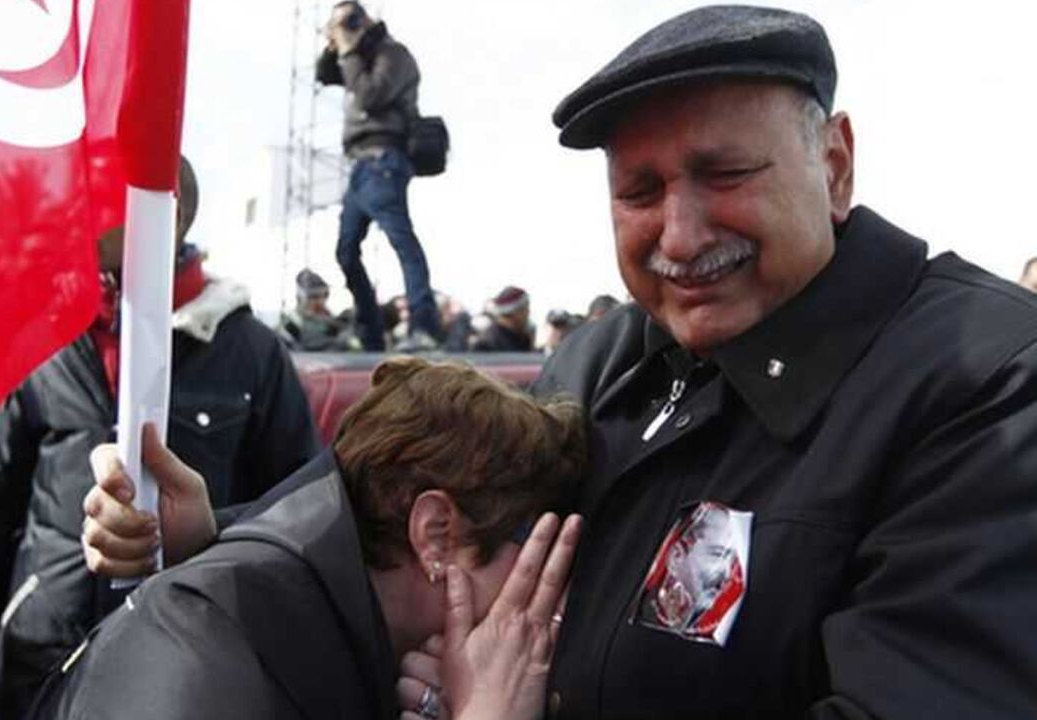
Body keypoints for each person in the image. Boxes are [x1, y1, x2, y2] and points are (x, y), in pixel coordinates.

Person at [85, 5, 1037, 718]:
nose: (681, 230)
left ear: (834, 164)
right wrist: (220, 536)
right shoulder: (609, 355)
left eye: (725, 174)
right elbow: (405, 514)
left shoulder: (986, 389)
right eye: (640, 190)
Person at [0, 158, 320, 720]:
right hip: (39, 657)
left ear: (169, 211)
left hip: (185, 659)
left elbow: (296, 510)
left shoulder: (253, 353)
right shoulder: (41, 338)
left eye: (101, 198)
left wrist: (202, 542)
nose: (77, 214)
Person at [46, 358, 585, 719]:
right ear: (436, 536)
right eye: (537, 551)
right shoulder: (213, 669)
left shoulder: (299, 632)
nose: (550, 602)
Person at [316, 1, 441, 351]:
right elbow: (324, 74)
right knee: (345, 252)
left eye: (351, 19)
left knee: (401, 241)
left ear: (367, 19)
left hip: (385, 160)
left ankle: (424, 326)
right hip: (361, 166)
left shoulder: (393, 54)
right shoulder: (357, 56)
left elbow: (369, 95)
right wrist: (335, 46)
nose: (347, 26)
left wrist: (351, 49)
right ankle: (370, 333)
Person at [278, 268, 352, 351]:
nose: (321, 301)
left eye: (325, 295)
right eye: (314, 297)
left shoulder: (333, 322)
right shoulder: (292, 324)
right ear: (300, 298)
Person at [472, 285, 536, 352]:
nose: (528, 312)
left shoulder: (522, 338)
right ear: (515, 312)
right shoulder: (485, 345)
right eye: (526, 308)